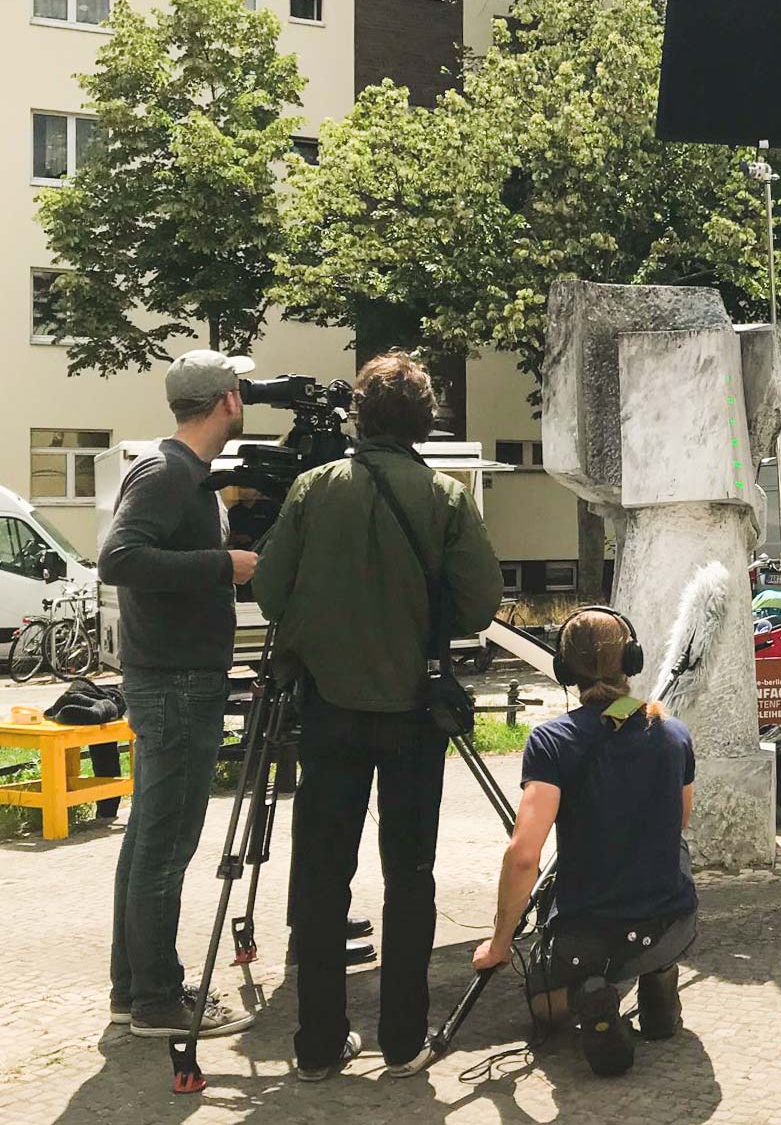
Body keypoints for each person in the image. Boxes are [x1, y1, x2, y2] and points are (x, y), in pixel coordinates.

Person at [253, 351, 503, 1082]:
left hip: (327, 707)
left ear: (358, 415)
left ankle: (319, 1043)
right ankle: (401, 1038)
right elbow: (480, 602)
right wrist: (422, 625)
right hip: (414, 710)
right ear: (425, 422)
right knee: (411, 873)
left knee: (322, 874)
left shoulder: (311, 488)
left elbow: (270, 592)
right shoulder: (444, 497)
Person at [100, 349, 259, 1038]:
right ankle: (160, 1002)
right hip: (175, 680)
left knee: (148, 838)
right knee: (166, 845)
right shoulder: (166, 473)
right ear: (227, 400)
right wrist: (222, 564)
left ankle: (132, 987)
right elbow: (119, 558)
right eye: (241, 388)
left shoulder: (187, 476)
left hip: (171, 676)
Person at [472, 609, 697, 1078]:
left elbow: (523, 856)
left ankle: (589, 996)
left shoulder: (552, 742)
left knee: (544, 1009)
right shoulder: (674, 734)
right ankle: (659, 977)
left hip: (589, 937)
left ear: (564, 670)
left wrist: (499, 942)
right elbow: (679, 821)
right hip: (672, 922)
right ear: (631, 660)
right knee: (677, 858)